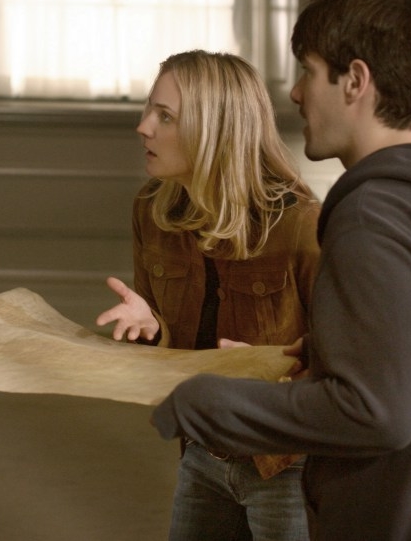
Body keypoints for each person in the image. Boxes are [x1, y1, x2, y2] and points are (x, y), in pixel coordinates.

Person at [150, 0, 411, 540]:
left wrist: (210, 400)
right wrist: (333, 348)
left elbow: (377, 413)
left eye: (308, 71)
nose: (293, 93)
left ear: (355, 81)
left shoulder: (371, 214)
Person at [97, 50, 320, 540]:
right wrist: (151, 330)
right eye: (150, 109)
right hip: (202, 450)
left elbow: (349, 365)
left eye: (165, 116)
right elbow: (171, 346)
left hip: (286, 463)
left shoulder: (302, 225)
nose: (143, 127)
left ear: (216, 130)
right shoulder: (151, 210)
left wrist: (270, 375)